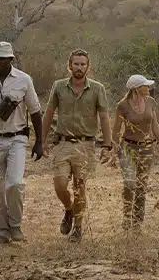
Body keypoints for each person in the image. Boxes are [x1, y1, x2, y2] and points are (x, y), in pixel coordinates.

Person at [0, 41, 44, 244]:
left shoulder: (24, 80)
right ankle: (2, 229)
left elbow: (36, 111)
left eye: (2, 58)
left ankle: (15, 225)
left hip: (17, 138)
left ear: (11, 59)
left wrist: (39, 142)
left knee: (15, 183)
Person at [43, 49, 112, 242]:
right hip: (63, 142)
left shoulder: (98, 89)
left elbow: (105, 117)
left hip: (85, 144)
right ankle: (68, 209)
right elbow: (48, 113)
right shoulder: (58, 86)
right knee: (60, 185)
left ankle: (78, 228)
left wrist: (107, 145)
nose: (79, 67)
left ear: (88, 67)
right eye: (76, 64)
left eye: (83, 64)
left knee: (80, 187)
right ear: (70, 65)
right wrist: (41, 141)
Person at [111, 74, 159, 231]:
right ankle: (127, 216)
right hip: (128, 148)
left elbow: (155, 125)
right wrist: (113, 150)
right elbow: (116, 129)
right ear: (137, 89)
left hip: (147, 148)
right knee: (130, 183)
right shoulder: (122, 106)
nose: (148, 87)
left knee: (141, 186)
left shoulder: (151, 102)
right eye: (145, 85)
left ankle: (137, 222)